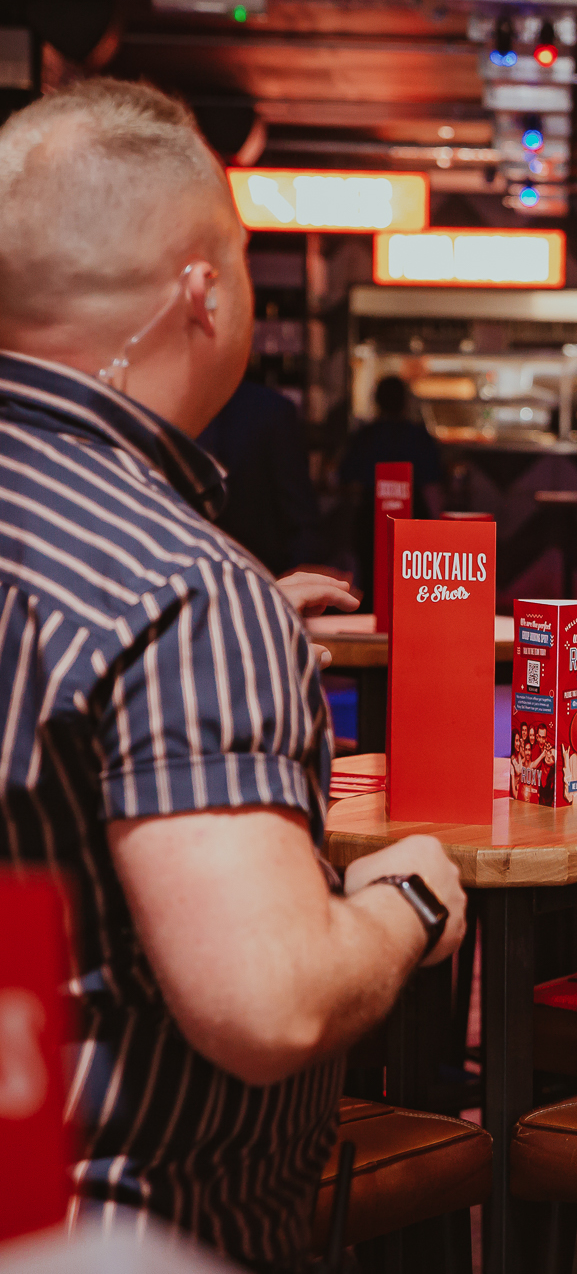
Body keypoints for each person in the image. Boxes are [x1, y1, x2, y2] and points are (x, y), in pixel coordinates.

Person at [0, 78, 468, 1268]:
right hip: (115, 1227)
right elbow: (270, 1003)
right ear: (200, 292)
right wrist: (406, 901)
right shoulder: (178, 586)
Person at [197, 375, 324, 576]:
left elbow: (300, 513)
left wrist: (299, 581)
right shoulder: (157, 405)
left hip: (261, 575)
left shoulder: (268, 410)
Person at [339, 375, 444, 608]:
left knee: (373, 587)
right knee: (413, 586)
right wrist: (440, 531)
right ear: (405, 401)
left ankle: (373, 636)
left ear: (376, 400)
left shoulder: (365, 436)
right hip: (413, 522)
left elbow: (347, 482)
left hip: (371, 521)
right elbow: (431, 487)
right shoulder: (418, 436)